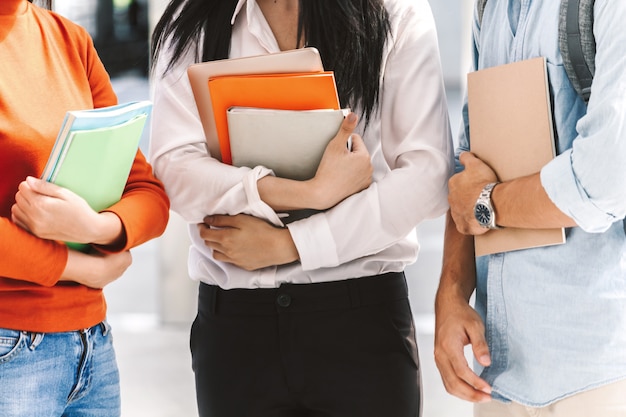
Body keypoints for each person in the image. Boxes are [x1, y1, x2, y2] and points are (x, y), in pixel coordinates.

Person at [149, 0, 454, 415]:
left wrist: (291, 245)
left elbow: (427, 178)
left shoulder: (393, 10)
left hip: (360, 323)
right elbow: (174, 171)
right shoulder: (197, 16)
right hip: (237, 329)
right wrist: (309, 192)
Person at [434, 1, 626, 416]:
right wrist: (450, 295)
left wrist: (488, 203)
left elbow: (606, 179)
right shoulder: (491, 7)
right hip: (500, 372)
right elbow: (468, 164)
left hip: (597, 373)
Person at [0, 1, 170, 416]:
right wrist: (81, 268)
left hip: (91, 344)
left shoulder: (70, 40)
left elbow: (146, 191)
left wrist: (99, 227)